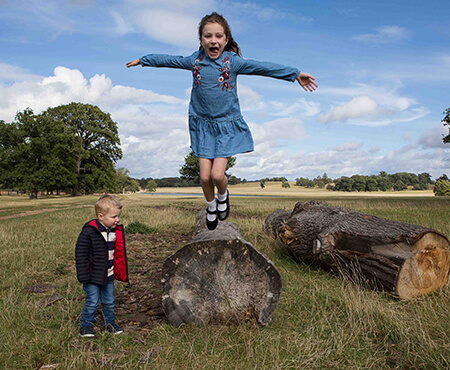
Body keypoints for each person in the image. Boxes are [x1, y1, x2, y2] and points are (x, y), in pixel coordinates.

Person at [127, 12, 317, 230]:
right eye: (208, 36)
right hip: (202, 125)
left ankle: (223, 195)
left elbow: (263, 67)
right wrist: (144, 60)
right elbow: (169, 60)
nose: (213, 40)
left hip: (226, 125)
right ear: (201, 40)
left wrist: (294, 74)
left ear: (226, 40)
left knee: (218, 174)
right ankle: (210, 206)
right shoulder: (195, 61)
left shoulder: (232, 62)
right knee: (205, 176)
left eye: (218, 36)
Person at [75, 194, 129, 337]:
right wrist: (83, 275)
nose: (117, 220)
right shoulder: (89, 232)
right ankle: (85, 326)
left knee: (109, 301)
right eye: (114, 217)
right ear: (100, 216)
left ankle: (109, 323)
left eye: (118, 216)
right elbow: (81, 255)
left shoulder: (113, 231)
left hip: (108, 275)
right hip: (92, 276)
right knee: (92, 301)